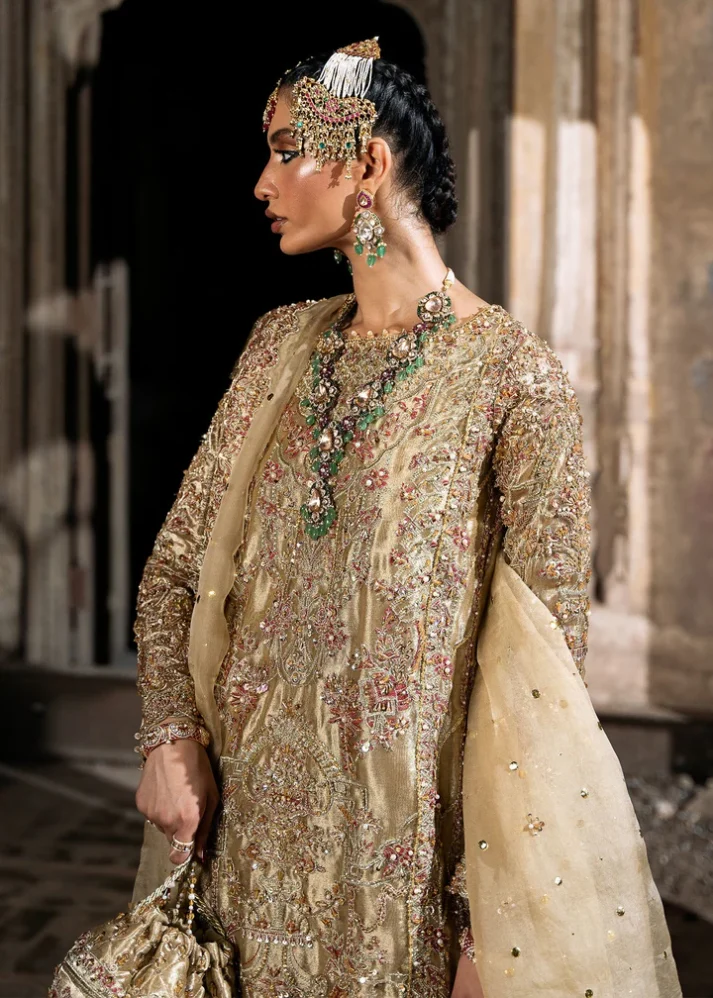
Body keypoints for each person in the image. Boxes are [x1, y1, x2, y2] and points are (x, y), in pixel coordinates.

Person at [131, 39, 682, 998]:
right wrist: (168, 735)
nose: (262, 182)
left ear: (368, 165)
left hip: (402, 894)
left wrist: (490, 928)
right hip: (242, 856)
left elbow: (542, 693)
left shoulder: (513, 381)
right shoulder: (277, 348)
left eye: (287, 151)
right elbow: (176, 567)